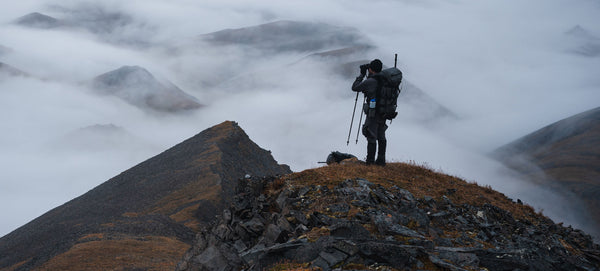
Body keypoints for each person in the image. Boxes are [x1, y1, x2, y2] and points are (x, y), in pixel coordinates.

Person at [351, 59, 387, 166]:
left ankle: (370, 163)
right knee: (381, 135)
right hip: (384, 111)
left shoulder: (371, 82)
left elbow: (355, 87)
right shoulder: (385, 79)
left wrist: (362, 74)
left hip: (374, 113)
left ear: (371, 69)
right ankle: (381, 161)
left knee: (371, 135)